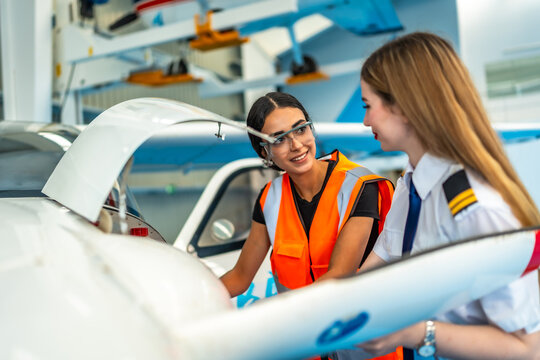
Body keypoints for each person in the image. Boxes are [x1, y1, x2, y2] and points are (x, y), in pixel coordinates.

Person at [356, 32, 540, 359]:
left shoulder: (474, 208)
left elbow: (528, 349)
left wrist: (414, 333)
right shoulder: (410, 187)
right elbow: (378, 264)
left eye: (369, 106)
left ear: (405, 107)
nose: (366, 119)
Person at [220, 92, 399, 360]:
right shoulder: (270, 198)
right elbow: (239, 277)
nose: (296, 145)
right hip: (305, 347)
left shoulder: (359, 187)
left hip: (364, 345)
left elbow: (339, 275)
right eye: (279, 139)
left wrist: (269, 317)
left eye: (301, 129)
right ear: (264, 152)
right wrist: (183, 301)